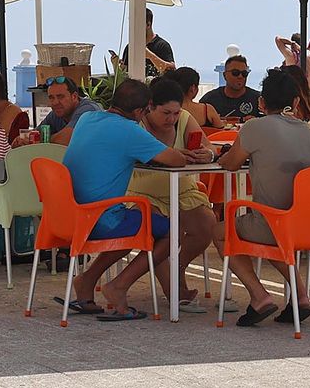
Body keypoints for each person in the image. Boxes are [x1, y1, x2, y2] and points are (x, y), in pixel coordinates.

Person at [61, 79, 200, 320]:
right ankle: (119, 286)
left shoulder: (87, 119)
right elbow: (176, 161)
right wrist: (177, 153)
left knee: (140, 222)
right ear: (139, 111)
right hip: (101, 219)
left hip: (71, 215)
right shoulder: (129, 130)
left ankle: (87, 281)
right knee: (171, 231)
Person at [217, 68, 310, 326]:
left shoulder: (255, 127)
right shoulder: (308, 131)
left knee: (220, 230)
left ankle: (259, 295)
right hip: (309, 224)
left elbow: (230, 164)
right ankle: (300, 296)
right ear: (296, 102)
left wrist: (220, 153)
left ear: (261, 102)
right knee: (274, 228)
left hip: (274, 224)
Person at [128, 75, 218, 310]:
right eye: (165, 113)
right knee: (161, 231)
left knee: (208, 225)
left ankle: (177, 266)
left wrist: (206, 155)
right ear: (150, 108)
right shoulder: (136, 125)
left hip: (181, 188)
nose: (172, 119)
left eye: (176, 113)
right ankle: (175, 292)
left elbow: (209, 147)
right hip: (142, 190)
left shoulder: (185, 119)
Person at [275, 33, 310, 114]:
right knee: (308, 122)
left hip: (295, 94)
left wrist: (291, 43)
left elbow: (278, 39)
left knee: (294, 122)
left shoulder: (291, 56)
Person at [37, 74, 99, 146]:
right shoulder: (56, 114)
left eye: (60, 97)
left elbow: (67, 139)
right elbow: (34, 134)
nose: (55, 102)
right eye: (51, 98)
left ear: (74, 97)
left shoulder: (88, 110)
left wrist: (41, 140)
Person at [111, 8, 175, 77]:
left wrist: (150, 56)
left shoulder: (162, 45)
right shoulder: (130, 47)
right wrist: (116, 65)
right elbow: (125, 75)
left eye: (137, 25)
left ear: (148, 25)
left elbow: (172, 69)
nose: (134, 28)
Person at [200, 56, 261, 123]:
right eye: (235, 73)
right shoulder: (209, 100)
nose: (240, 76)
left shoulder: (258, 100)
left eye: (244, 73)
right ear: (224, 75)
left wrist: (256, 122)